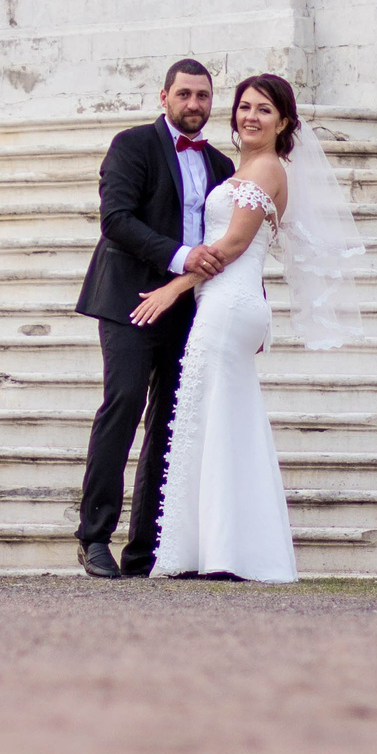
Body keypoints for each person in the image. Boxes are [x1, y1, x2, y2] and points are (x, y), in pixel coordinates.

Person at [133, 72, 366, 583]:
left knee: (215, 419)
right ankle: (219, 548)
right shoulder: (245, 167)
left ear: (283, 122)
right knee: (221, 419)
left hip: (228, 301)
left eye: (264, 109)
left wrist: (173, 289)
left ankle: (225, 551)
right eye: (244, 106)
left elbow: (235, 244)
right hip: (227, 301)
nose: (251, 116)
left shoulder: (266, 168)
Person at [72, 59, 233, 578]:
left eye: (202, 95)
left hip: (189, 307)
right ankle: (94, 537)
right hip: (130, 300)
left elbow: (235, 242)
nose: (194, 104)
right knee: (122, 406)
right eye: (184, 94)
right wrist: (181, 257)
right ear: (164, 97)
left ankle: (145, 550)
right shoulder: (133, 145)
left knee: (170, 422)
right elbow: (116, 219)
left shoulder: (222, 166)